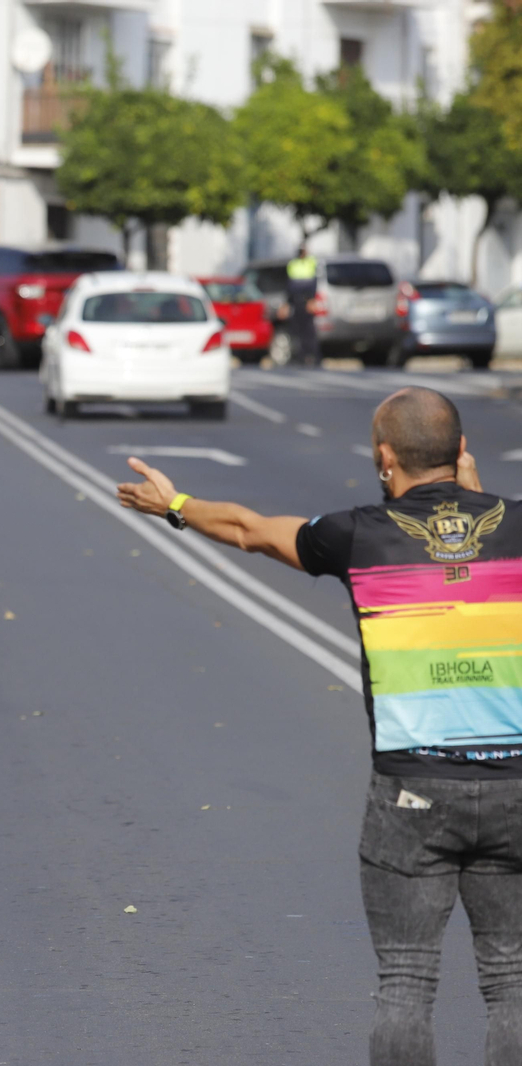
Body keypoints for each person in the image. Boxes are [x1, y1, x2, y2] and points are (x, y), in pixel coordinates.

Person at [115, 387, 520, 1064]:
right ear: (460, 452)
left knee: (406, 983)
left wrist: (176, 506)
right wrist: (480, 496)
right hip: (514, 787)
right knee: (511, 982)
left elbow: (250, 529)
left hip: (412, 793)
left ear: (385, 456)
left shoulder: (359, 533)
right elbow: (477, 534)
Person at [286, 242, 319, 367]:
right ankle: (298, 357)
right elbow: (289, 285)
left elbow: (314, 283)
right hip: (296, 301)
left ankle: (312, 356)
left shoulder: (311, 262)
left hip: (307, 301)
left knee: (309, 331)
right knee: (296, 331)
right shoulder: (292, 264)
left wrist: (312, 300)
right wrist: (288, 302)